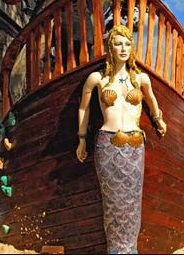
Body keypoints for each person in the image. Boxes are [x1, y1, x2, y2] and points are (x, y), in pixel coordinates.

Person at [75, 25, 166, 253]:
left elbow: (152, 101)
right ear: (110, 47)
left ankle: (131, 250)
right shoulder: (97, 79)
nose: (123, 48)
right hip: (107, 143)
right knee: (113, 202)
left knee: (133, 201)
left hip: (135, 145)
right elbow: (84, 109)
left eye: (127, 43)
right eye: (118, 43)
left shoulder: (141, 79)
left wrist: (158, 120)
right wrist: (82, 138)